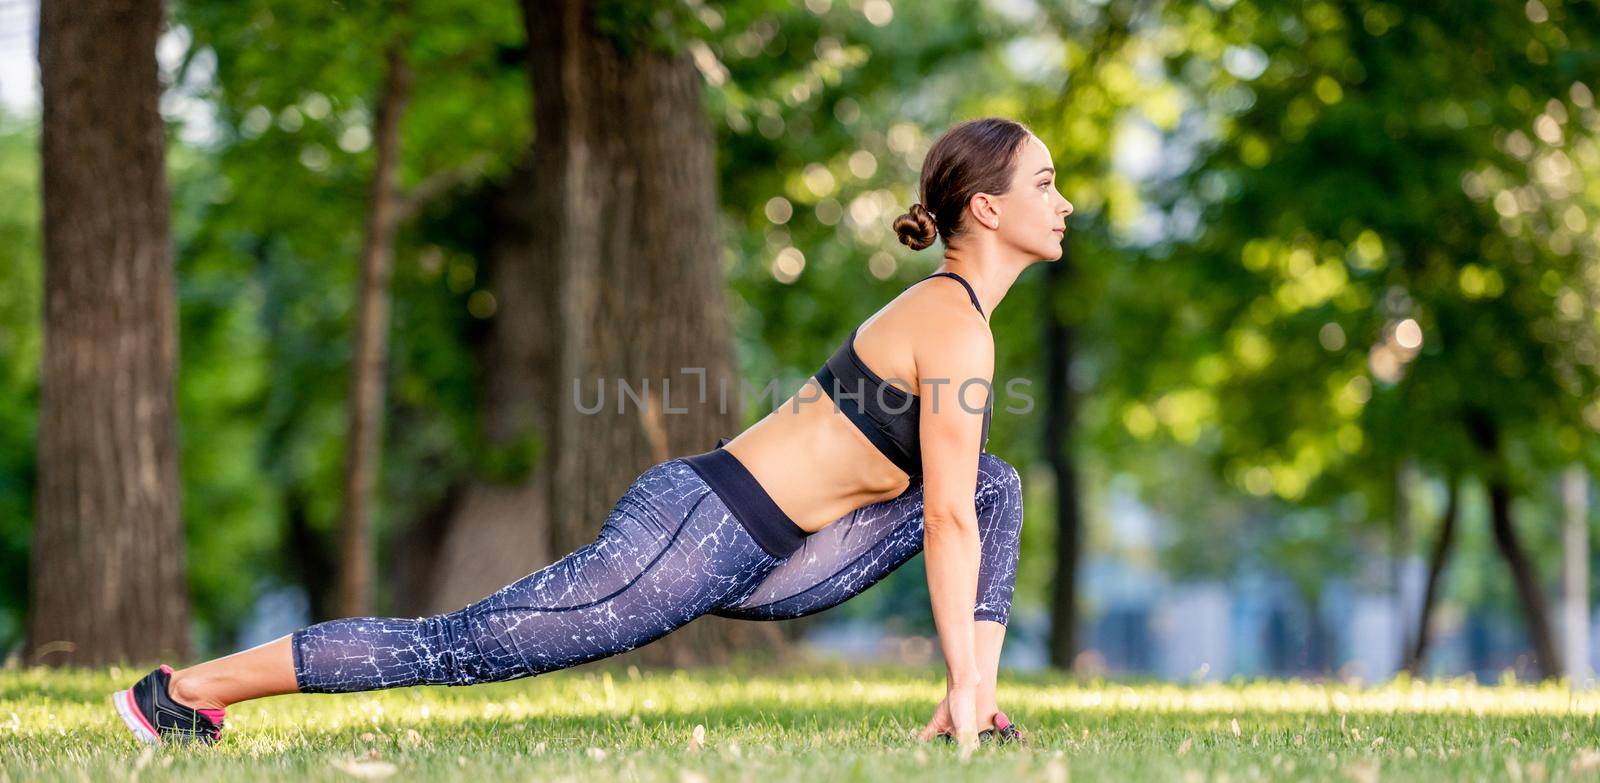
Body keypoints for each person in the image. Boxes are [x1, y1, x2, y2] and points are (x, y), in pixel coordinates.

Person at [111, 116, 1074, 750]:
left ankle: (974, 711)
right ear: (987, 208)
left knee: (998, 483)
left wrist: (964, 679)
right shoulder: (950, 325)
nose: (1063, 200)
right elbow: (942, 522)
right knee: (458, 646)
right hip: (696, 532)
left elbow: (964, 505)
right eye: (1046, 181)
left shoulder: (956, 323)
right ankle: (182, 692)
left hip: (778, 552)